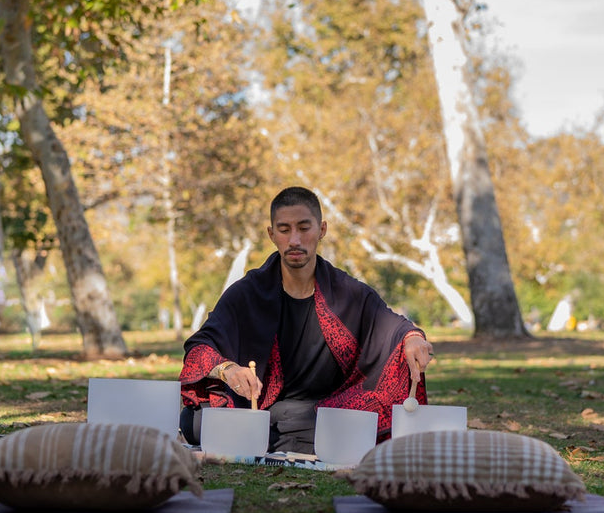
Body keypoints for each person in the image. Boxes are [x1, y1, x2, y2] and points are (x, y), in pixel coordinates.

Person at [180, 186, 434, 453]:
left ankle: (279, 439)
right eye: (284, 229)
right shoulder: (248, 292)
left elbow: (394, 326)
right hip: (256, 409)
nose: (294, 241)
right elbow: (198, 347)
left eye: (304, 228)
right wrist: (228, 370)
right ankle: (304, 440)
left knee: (349, 416)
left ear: (322, 230)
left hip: (323, 408)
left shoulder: (346, 291)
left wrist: (413, 338)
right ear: (271, 234)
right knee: (193, 422)